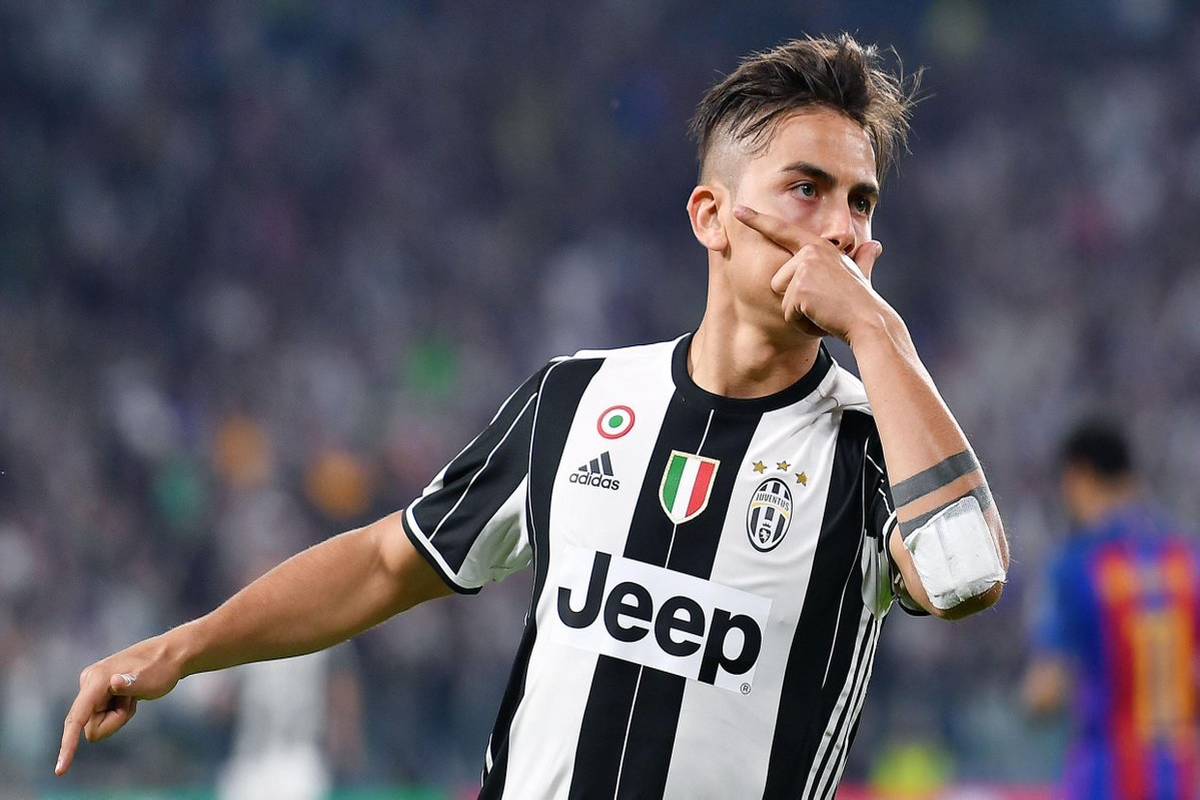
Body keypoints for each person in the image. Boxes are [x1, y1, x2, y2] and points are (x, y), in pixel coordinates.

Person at [57, 34, 1009, 798]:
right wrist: (180, 649)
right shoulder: (579, 398)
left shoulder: (873, 443)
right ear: (712, 217)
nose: (842, 228)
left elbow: (967, 579)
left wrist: (877, 331)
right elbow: (390, 560)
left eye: (861, 203)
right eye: (807, 190)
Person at [1024, 421, 1198, 799]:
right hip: (1177, 779)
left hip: (1103, 778)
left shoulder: (1077, 566)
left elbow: (1045, 690)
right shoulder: (1186, 561)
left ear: (1079, 477)